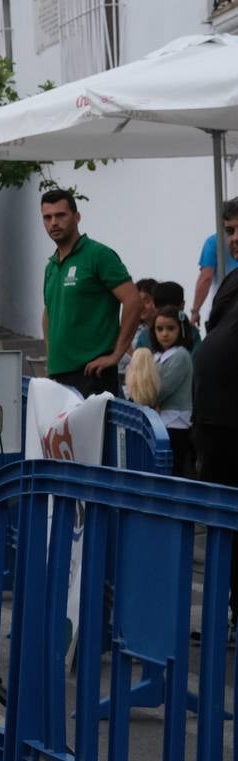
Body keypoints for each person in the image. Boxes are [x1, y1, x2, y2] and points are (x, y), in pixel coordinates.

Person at [39, 189, 140, 398]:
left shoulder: (98, 255)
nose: (53, 223)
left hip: (92, 373)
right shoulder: (51, 266)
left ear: (77, 217)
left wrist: (116, 355)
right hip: (59, 376)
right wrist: (51, 358)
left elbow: (133, 300)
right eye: (47, 217)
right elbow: (49, 313)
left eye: (61, 215)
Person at [193, 207, 238, 644]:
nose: (235, 238)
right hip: (216, 425)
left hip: (230, 423)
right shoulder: (232, 279)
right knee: (224, 530)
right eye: (229, 230)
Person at [124, 306, 194, 476]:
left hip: (177, 423)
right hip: (160, 422)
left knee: (173, 470)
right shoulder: (155, 357)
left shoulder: (181, 356)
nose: (164, 334)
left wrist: (139, 392)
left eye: (171, 328)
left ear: (181, 330)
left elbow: (160, 391)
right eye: (159, 329)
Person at [192, 196, 238, 329]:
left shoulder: (213, 242)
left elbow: (206, 278)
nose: (235, 238)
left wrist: (195, 311)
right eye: (229, 231)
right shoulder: (214, 243)